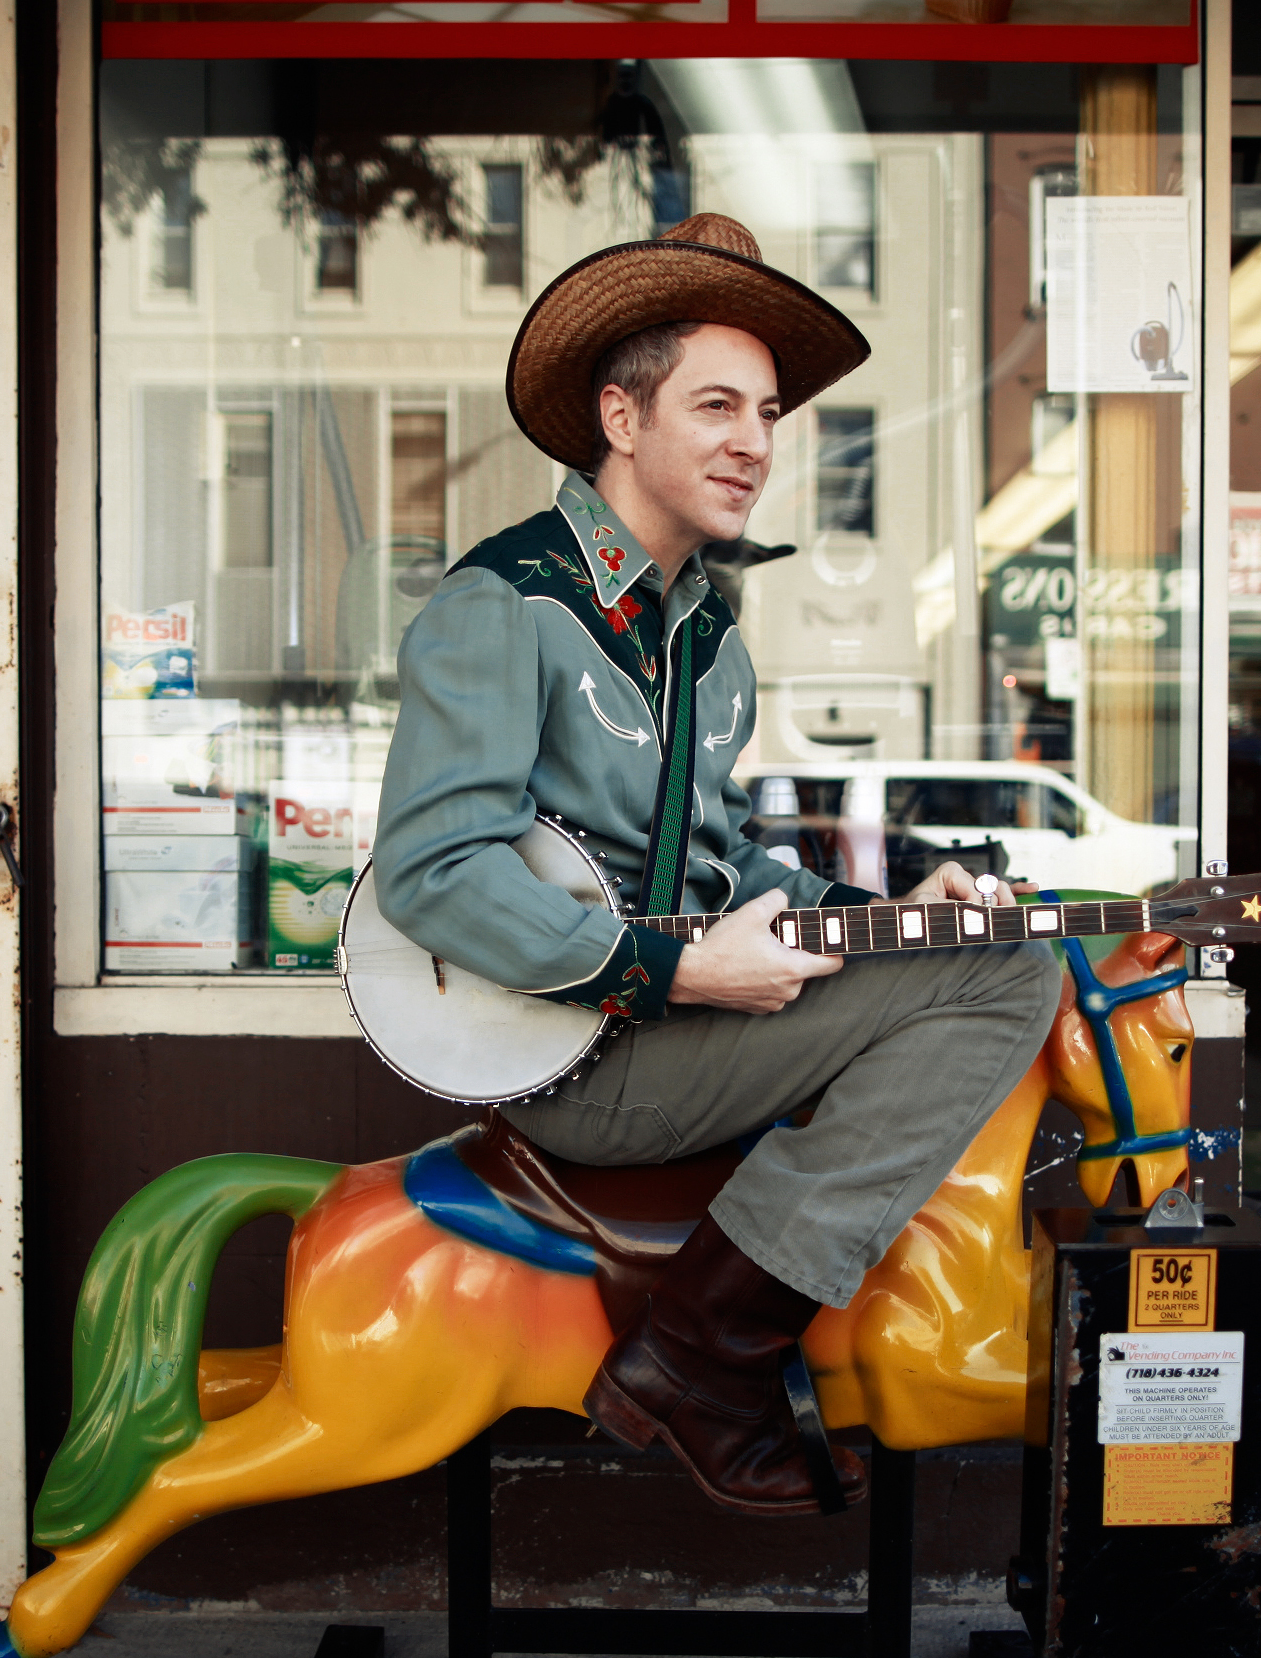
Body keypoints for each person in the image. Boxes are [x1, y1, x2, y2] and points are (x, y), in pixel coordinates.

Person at [369, 213, 1056, 1518]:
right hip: (566, 1051)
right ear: (621, 419)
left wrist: (875, 918)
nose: (754, 440)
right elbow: (433, 872)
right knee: (1009, 983)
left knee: (970, 949)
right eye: (716, 405)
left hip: (660, 1023)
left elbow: (725, 861)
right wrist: (675, 967)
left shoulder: (705, 637)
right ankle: (702, 1361)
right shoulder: (504, 602)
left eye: (769, 412)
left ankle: (706, 1349)